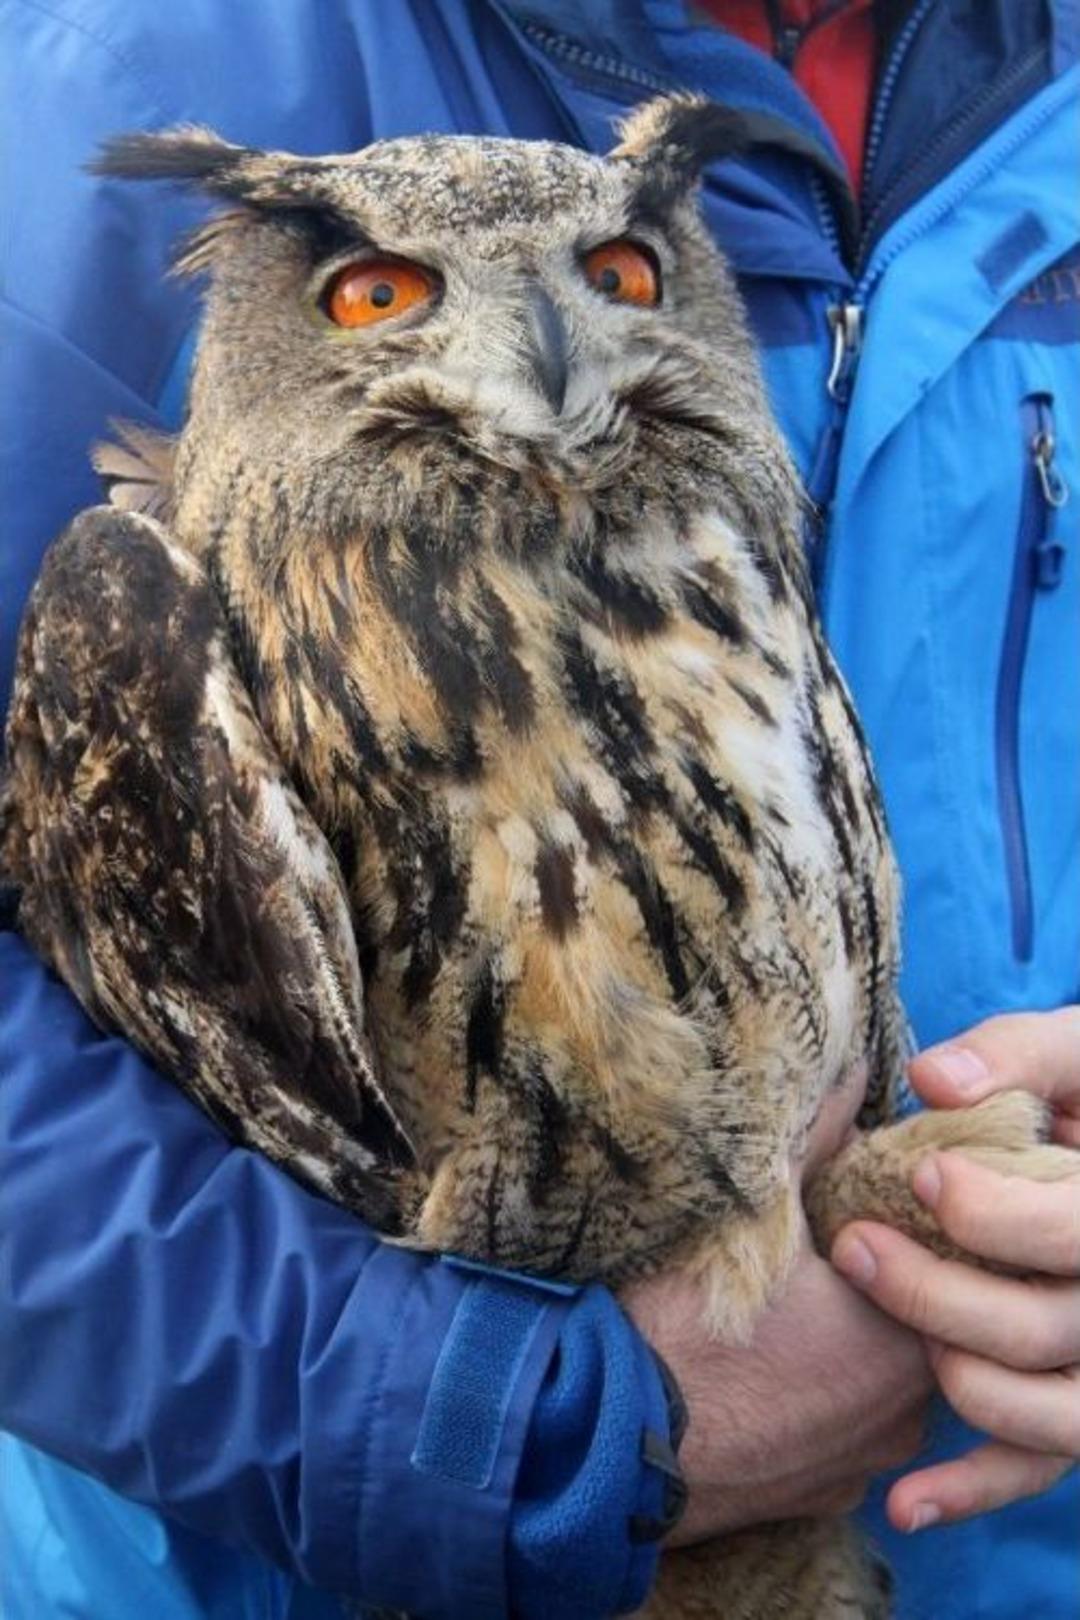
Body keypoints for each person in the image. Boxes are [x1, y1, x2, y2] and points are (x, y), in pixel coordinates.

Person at [1, 2, 1077, 1617]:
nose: (549, 351)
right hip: (317, 1554)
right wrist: (526, 1425)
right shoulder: (125, 75)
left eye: (621, 281)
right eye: (383, 298)